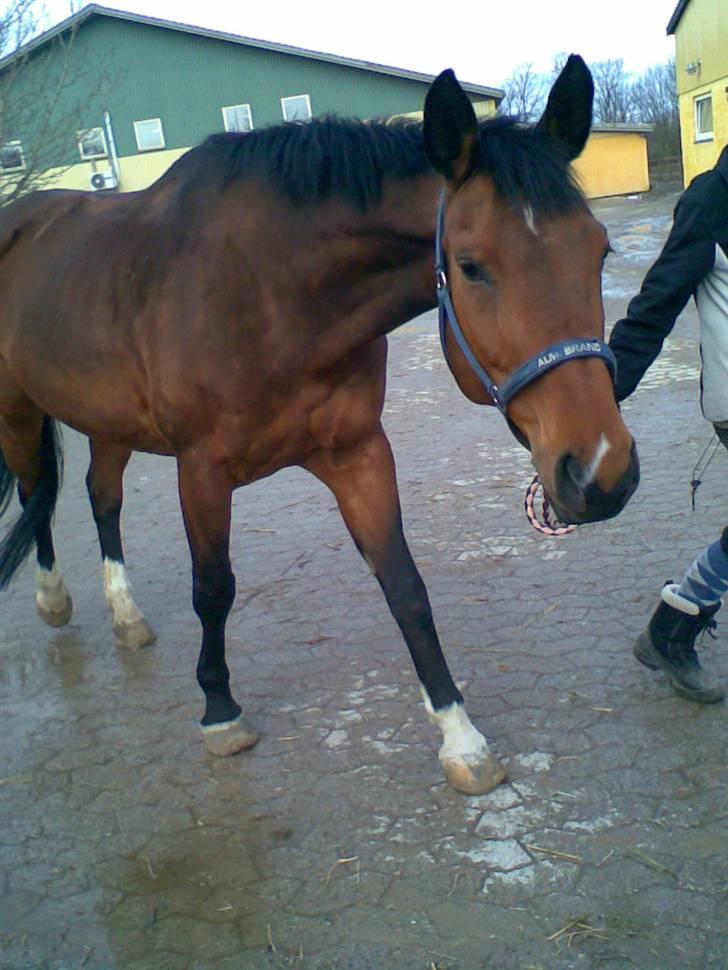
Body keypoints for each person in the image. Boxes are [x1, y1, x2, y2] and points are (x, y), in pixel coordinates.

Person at [609, 143, 728, 704]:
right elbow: (656, 303)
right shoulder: (711, 199)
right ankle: (670, 631)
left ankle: (670, 628)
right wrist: (602, 395)